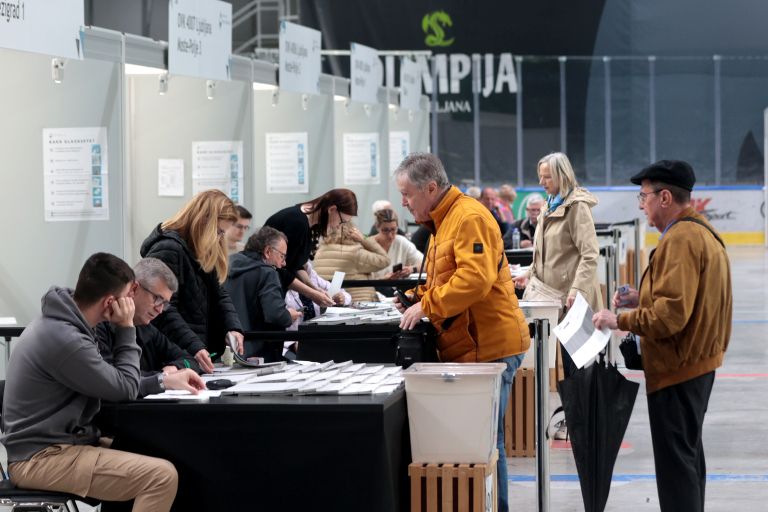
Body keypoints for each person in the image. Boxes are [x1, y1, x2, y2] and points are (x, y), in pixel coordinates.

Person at [593, 160, 732, 512]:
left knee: (675, 471)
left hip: (679, 369)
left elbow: (672, 316)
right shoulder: (698, 232)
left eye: (644, 196)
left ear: (665, 197)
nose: (642, 205)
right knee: (686, 461)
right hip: (694, 364)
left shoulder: (681, 239)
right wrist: (643, 298)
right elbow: (690, 298)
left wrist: (619, 318)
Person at [394, 153, 530, 512]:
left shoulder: (467, 217)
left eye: (407, 194)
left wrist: (426, 305)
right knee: (481, 440)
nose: (403, 203)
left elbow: (474, 280)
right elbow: (447, 277)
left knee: (487, 442)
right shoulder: (445, 221)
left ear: (431, 188)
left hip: (491, 345)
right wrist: (415, 296)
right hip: (471, 345)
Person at [1, 253, 179, 510]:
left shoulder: (66, 325)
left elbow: (113, 380)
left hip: (57, 446)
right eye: (129, 295)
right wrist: (127, 328)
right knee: (160, 477)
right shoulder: (66, 339)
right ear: (110, 302)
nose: (131, 302)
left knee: (163, 450)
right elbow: (126, 388)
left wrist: (161, 380)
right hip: (41, 458)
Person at [512, 152, 602, 440]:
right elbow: (547, 255)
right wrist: (528, 272)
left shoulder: (576, 208)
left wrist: (576, 291)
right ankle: (573, 416)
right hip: (549, 298)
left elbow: (589, 255)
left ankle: (580, 421)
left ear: (562, 175)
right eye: (540, 175)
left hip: (571, 299)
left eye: (547, 176)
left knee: (575, 362)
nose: (542, 181)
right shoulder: (550, 207)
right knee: (562, 363)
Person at [140, 190, 244, 374]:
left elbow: (219, 294)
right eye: (219, 231)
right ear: (204, 221)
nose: (220, 238)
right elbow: (163, 309)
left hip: (194, 352)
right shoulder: (168, 249)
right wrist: (194, 346)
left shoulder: (200, 249)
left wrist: (233, 327)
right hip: (174, 355)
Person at [96, 258, 206, 397]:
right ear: (134, 289)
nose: (160, 310)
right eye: (158, 299)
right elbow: (117, 380)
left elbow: (190, 360)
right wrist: (163, 377)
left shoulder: (146, 328)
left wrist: (175, 368)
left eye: (165, 304)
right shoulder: (99, 326)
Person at [264, 188, 358, 308]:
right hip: (265, 289)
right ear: (332, 209)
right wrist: (312, 294)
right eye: (341, 222)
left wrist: (315, 288)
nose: (337, 227)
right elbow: (282, 269)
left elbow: (296, 265)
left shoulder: (308, 224)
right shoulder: (297, 222)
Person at [225, 226, 303, 361]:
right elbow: (275, 314)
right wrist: (288, 315)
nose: (283, 263)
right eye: (282, 256)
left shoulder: (226, 264)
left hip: (225, 348)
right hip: (256, 353)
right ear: (267, 251)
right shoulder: (267, 273)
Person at [313, 222, 390, 303]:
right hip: (358, 303)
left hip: (332, 304)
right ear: (352, 233)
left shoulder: (319, 252)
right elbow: (385, 260)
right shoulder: (354, 252)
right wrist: (364, 239)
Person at [285, 261, 351, 330]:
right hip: (294, 336)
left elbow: (347, 296)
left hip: (318, 332)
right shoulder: (283, 284)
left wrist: (342, 298)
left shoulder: (313, 277)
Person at [371, 209, 423, 279]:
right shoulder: (368, 245)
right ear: (377, 228)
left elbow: (426, 264)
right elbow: (360, 279)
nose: (390, 235)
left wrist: (412, 269)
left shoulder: (402, 242)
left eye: (393, 230)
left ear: (397, 227)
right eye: (385, 230)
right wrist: (383, 280)